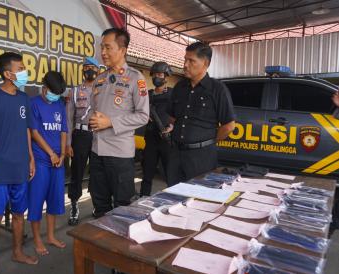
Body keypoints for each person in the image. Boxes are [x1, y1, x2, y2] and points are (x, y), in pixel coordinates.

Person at [0, 52, 38, 274]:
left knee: (19, 214)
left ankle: (17, 252)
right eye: (20, 68)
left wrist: (31, 157)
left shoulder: (24, 99)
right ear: (7, 73)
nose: (24, 72)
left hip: (21, 167)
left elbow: (26, 131)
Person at [88, 28, 149, 218]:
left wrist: (110, 122)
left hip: (119, 156)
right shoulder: (99, 79)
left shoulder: (135, 78)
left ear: (122, 50)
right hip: (97, 152)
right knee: (100, 204)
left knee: (122, 207)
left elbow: (143, 116)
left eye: (108, 47)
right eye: (101, 47)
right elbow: (93, 109)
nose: (103, 53)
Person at [166, 42, 236, 185]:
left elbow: (229, 126)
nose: (185, 64)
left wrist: (208, 142)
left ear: (205, 63)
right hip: (176, 154)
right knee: (171, 197)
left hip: (202, 157)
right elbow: (172, 117)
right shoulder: (179, 87)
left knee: (198, 198)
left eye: (191, 61)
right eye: (185, 59)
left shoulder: (217, 89)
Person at [28, 71, 68, 255]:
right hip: (41, 160)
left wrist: (62, 154)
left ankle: (50, 236)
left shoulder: (60, 104)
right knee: (36, 202)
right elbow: (34, 133)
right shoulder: (34, 104)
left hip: (57, 162)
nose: (55, 96)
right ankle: (37, 238)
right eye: (53, 92)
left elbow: (63, 131)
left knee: (54, 201)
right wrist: (51, 153)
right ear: (44, 87)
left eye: (58, 93)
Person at [65, 57, 100, 225]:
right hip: (80, 135)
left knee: (97, 172)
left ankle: (97, 204)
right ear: (82, 71)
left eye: (92, 67)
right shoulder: (75, 91)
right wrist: (67, 143)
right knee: (77, 172)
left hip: (99, 135)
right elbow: (68, 119)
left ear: (98, 70)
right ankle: (74, 205)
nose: (89, 70)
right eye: (86, 67)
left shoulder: (103, 90)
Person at [140, 62, 173, 196]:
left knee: (170, 174)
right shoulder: (147, 95)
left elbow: (180, 113)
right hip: (151, 139)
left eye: (160, 74)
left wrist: (172, 126)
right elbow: (136, 110)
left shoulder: (172, 93)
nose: (157, 77)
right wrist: (144, 116)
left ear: (166, 77)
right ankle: (142, 200)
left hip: (167, 139)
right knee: (147, 173)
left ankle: (174, 200)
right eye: (154, 75)